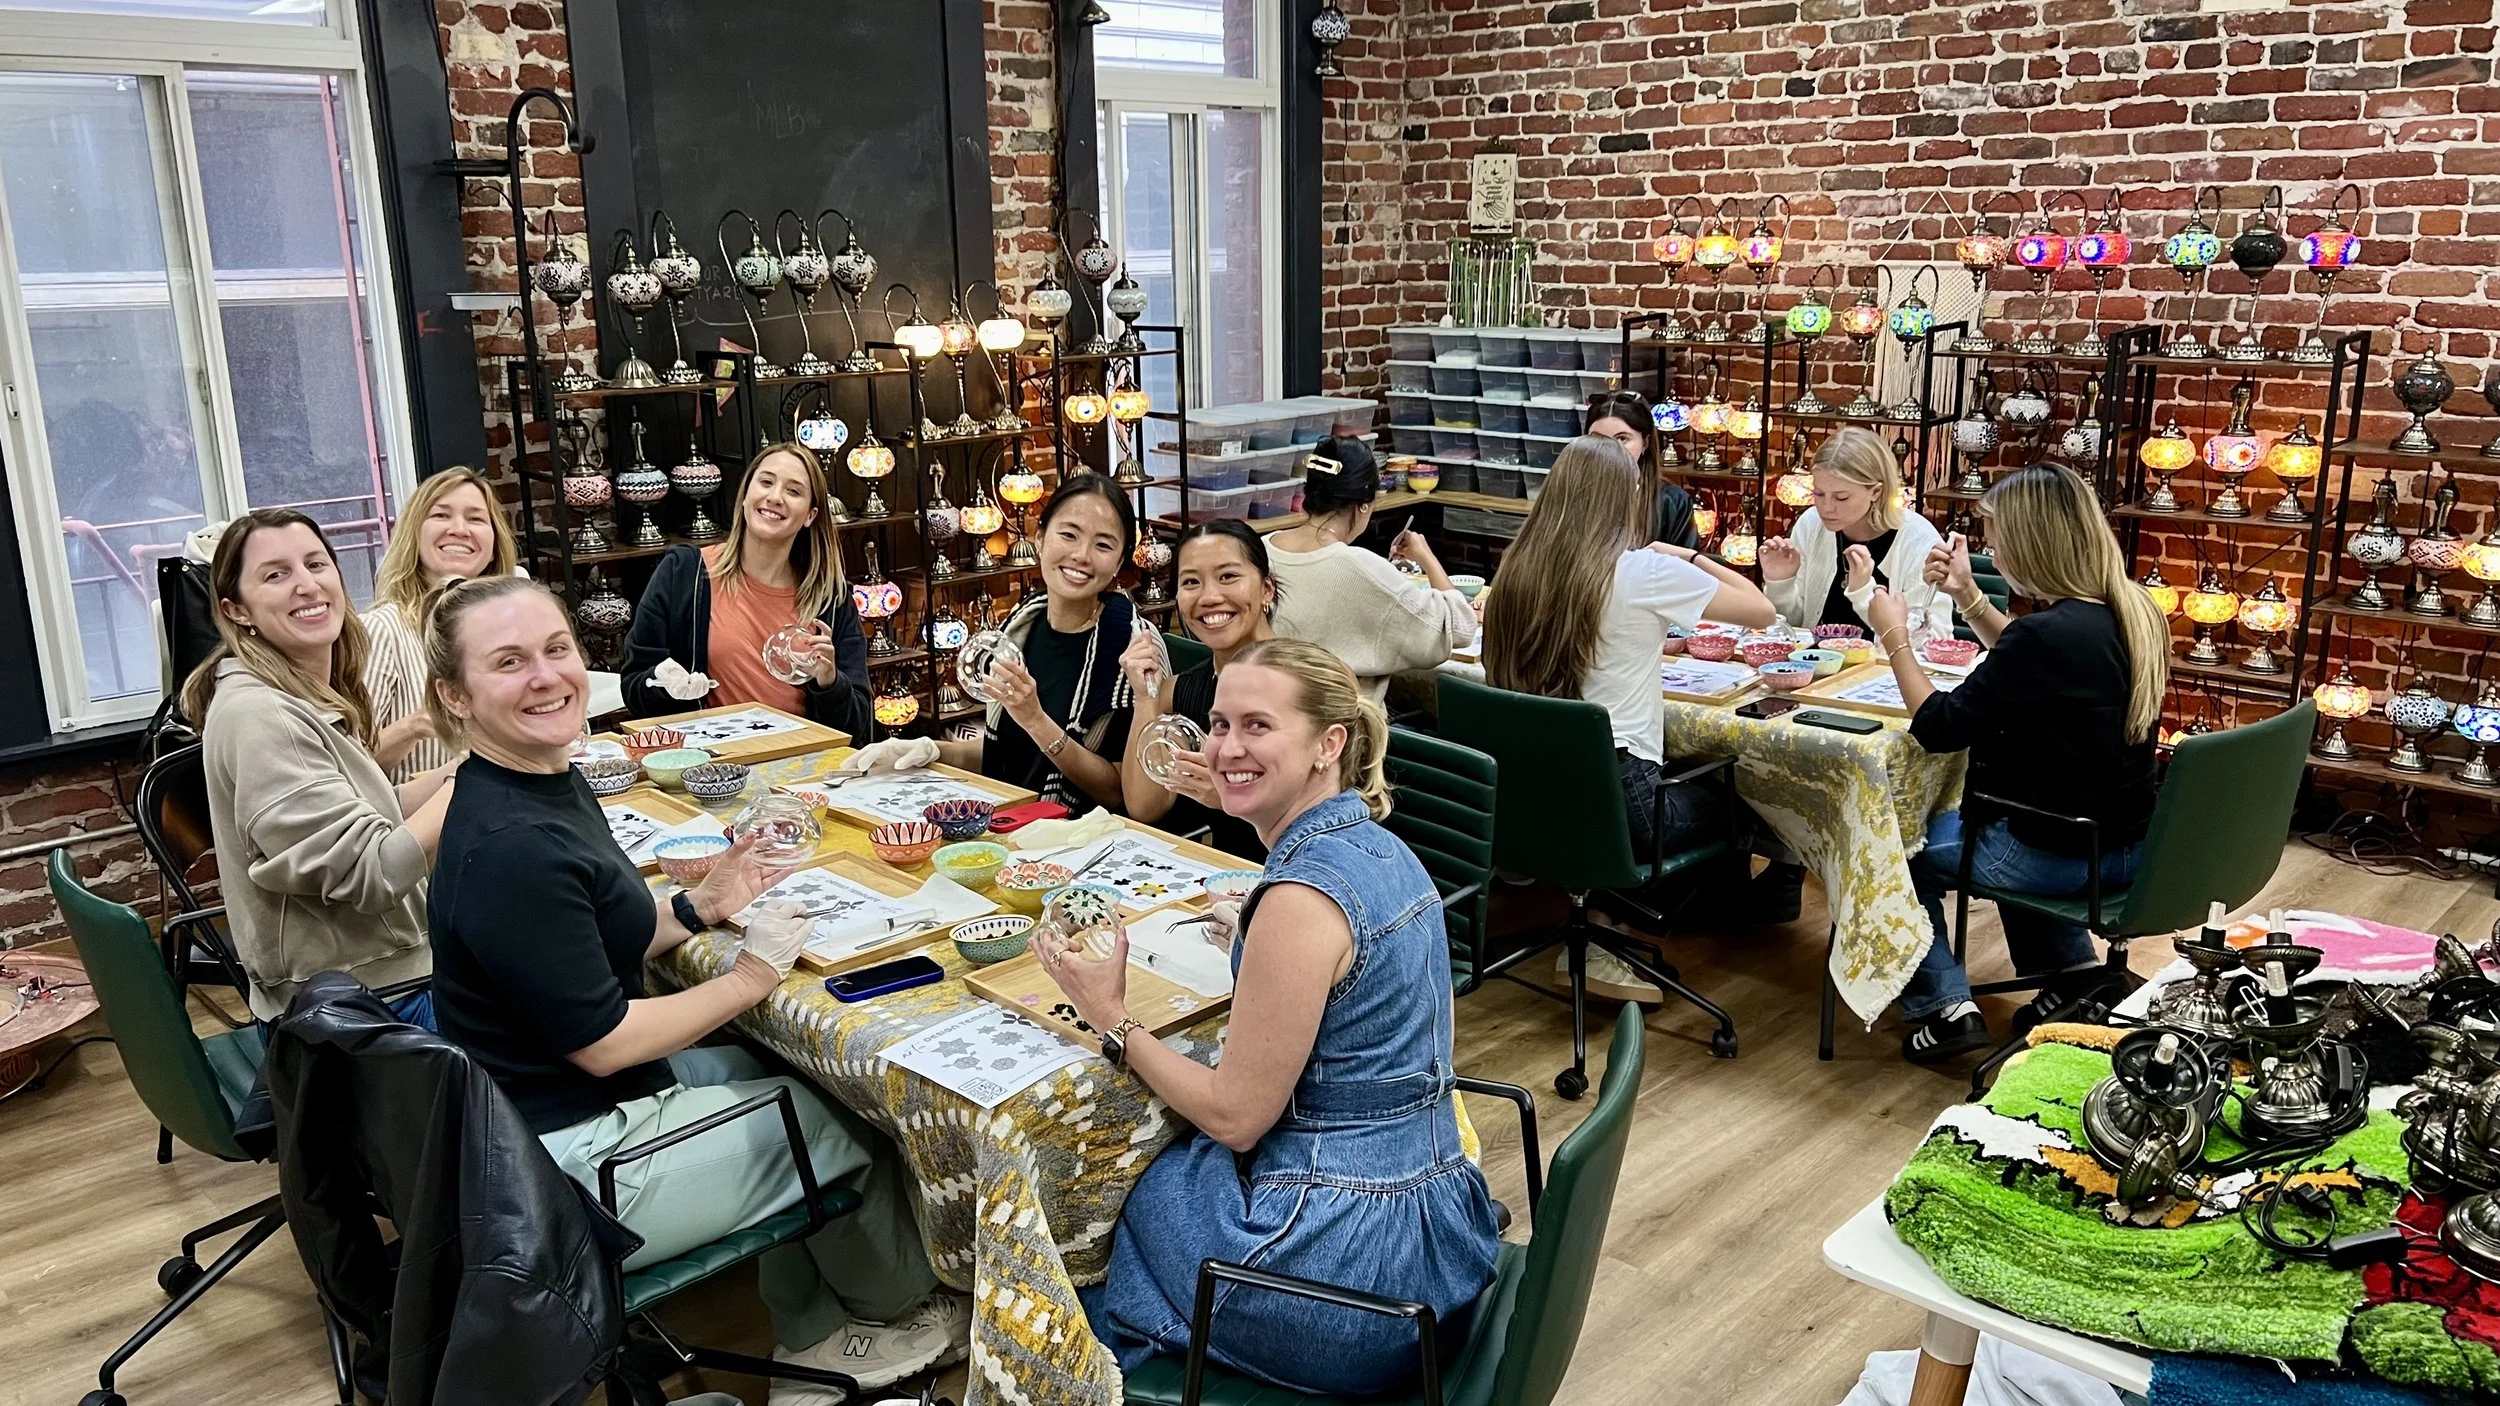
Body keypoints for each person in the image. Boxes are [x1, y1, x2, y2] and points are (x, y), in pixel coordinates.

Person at [422, 574, 965, 1395]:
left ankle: (812, 1335)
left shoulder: (539, 778)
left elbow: (605, 928)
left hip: (539, 1114)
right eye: (509, 662)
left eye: (556, 650)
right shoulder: (509, 848)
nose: (546, 676)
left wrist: (699, 903)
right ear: (455, 697)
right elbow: (606, 1044)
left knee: (802, 1077)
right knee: (855, 1123)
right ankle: (895, 1315)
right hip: (567, 1163)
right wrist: (753, 975)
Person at [1043, 638, 1499, 1395]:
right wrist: (1256, 927)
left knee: (1123, 1190)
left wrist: (1111, 1017)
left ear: (1330, 744)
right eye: (1219, 725)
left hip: (1349, 1277)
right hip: (1436, 1230)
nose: (1224, 748)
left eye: (1257, 726)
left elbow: (1236, 1119)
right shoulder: (1382, 848)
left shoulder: (1298, 901)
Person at [1863, 463, 2166, 1064]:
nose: (1991, 551)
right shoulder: (2130, 610)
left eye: (1996, 540)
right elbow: (2028, 662)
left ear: (2031, 543)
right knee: (2004, 816)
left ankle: (1942, 1007)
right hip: (2128, 845)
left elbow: (1938, 728)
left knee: (1887, 844)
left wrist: (1894, 634)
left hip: (2059, 855)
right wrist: (1970, 600)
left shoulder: (2048, 635)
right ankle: (2071, 973)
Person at [1481, 436, 1777, 1000]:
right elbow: (1761, 609)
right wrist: (1681, 552)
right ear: (1626, 497)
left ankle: (1605, 921)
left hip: (1532, 797)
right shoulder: (1641, 571)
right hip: (1624, 805)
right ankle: (1657, 929)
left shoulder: (1518, 565)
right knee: (1751, 793)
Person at [181, 509, 454, 1024]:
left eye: (316, 564)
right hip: (365, 1010)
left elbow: (368, 811)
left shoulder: (296, 694)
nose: (307, 585)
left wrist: (467, 768)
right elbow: (370, 871)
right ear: (236, 610)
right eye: (276, 575)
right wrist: (466, 785)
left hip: (375, 982)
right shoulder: (262, 716)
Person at [851, 474, 1160, 815]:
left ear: (1119, 562)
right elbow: (1009, 753)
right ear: (1040, 538)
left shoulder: (1131, 650)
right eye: (1068, 535)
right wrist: (931, 750)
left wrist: (1036, 720)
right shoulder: (1019, 628)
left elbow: (1118, 792)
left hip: (1084, 839)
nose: (1081, 555)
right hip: (1010, 820)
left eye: (1103, 545)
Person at [621, 442, 872, 739]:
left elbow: (860, 729)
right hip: (710, 769)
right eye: (766, 482)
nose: (775, 497)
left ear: (810, 515)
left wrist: (831, 684)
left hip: (805, 765)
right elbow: (635, 687)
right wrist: (666, 687)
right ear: (745, 496)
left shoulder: (832, 598)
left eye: (794, 491)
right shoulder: (684, 572)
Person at [1267, 436, 1475, 703]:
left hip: (1269, 710)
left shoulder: (1260, 549)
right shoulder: (1361, 568)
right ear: (1364, 503)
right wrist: (1426, 556)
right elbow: (1459, 626)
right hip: (1344, 729)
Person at [1116, 519, 1277, 860]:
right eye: (1191, 582)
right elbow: (1145, 807)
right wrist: (1147, 696)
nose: (1210, 597)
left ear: (1266, 589)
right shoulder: (1180, 692)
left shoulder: (1313, 680)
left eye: (1228, 576)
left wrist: (1235, 797)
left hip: (1305, 880)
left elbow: (1344, 807)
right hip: (1225, 884)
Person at [361, 467, 521, 782]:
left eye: (476, 519)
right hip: (419, 820)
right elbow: (347, 762)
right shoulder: (383, 629)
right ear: (413, 535)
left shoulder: (513, 630)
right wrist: (415, 726)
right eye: (441, 515)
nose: (459, 529)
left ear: (493, 545)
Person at [1759, 427, 1954, 638]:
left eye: (1841, 497)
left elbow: (1931, 639)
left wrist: (1864, 593)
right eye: (1819, 493)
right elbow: (1790, 629)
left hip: (1887, 669)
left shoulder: (1918, 539)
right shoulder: (1810, 523)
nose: (1826, 507)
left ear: (1875, 492)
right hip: (1818, 663)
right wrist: (1780, 583)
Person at [1586, 388, 1699, 550]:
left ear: (1645, 442)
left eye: (1622, 439)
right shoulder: (1571, 493)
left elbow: (1685, 569)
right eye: (1598, 439)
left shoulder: (1672, 501)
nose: (1611, 449)